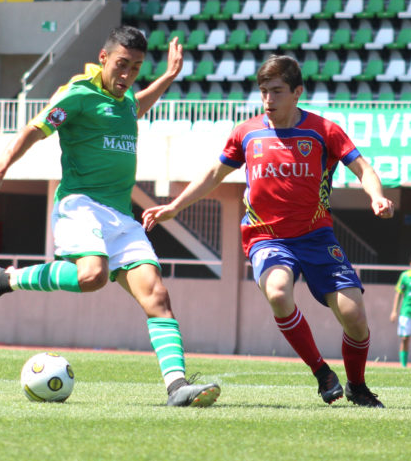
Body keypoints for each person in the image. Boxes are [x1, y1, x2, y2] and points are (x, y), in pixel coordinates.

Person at [0, 26, 220, 407]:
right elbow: (36, 128)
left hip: (121, 216)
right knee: (92, 275)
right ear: (103, 58)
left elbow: (135, 107)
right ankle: (7, 279)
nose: (127, 74)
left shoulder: (126, 96)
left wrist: (166, 77)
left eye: (135, 67)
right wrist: (1, 167)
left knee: (158, 297)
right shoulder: (78, 94)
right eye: (121, 65)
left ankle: (177, 387)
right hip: (80, 205)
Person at [142, 55, 394, 407]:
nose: (268, 100)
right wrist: (174, 207)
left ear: (297, 92)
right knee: (278, 292)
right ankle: (322, 372)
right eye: (263, 92)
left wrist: (377, 197)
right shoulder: (247, 132)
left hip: (317, 236)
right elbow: (214, 173)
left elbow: (363, 169)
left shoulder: (324, 131)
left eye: (276, 91)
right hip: (266, 236)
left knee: (354, 318)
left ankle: (357, 385)